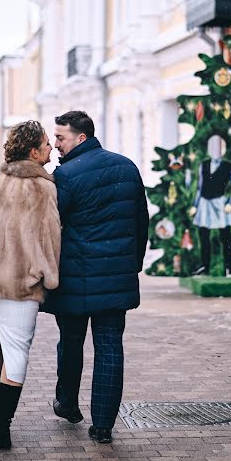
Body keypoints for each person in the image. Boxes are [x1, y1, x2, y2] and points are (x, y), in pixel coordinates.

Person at [41, 110, 149, 444]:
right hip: (116, 277)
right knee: (110, 347)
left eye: (60, 137)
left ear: (81, 138)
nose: (55, 144)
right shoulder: (127, 167)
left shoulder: (66, 176)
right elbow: (140, 222)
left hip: (73, 277)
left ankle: (68, 403)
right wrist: (133, 264)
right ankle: (103, 424)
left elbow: (51, 226)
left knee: (71, 343)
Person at [0, 120, 61, 451]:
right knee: (16, 352)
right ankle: (3, 426)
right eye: (47, 144)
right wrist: (49, 276)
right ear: (34, 152)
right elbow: (50, 237)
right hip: (22, 283)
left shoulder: (0, 178)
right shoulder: (43, 186)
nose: (51, 148)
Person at [189, 134, 231, 276]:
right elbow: (200, 187)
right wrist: (195, 205)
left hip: (220, 203)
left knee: (226, 236)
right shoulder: (203, 165)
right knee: (204, 236)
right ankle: (205, 266)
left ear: (223, 149)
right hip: (204, 204)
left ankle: (228, 266)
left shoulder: (230, 167)